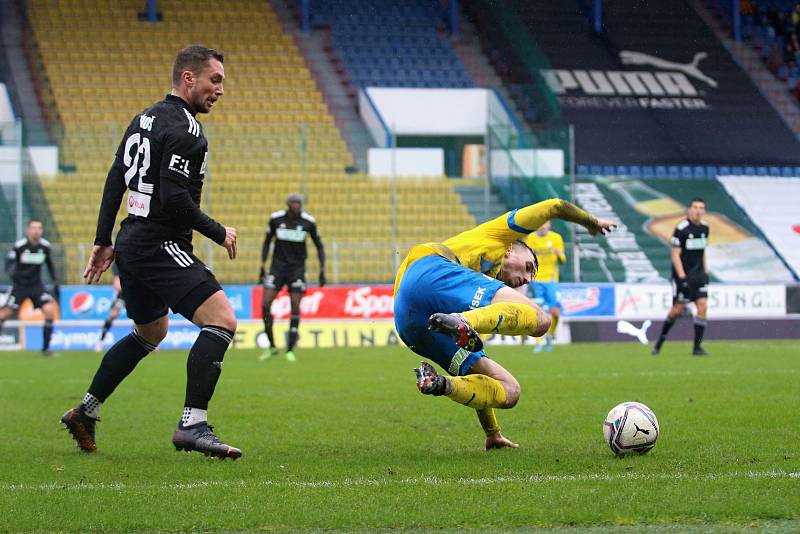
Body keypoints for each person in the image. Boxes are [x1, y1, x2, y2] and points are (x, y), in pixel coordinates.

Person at [60, 45, 242, 459]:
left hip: (133, 243)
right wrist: (218, 231)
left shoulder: (143, 119)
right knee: (221, 321)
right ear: (189, 78)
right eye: (215, 81)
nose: (221, 90)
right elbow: (175, 198)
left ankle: (86, 411)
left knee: (151, 333)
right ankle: (193, 425)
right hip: (160, 244)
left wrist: (104, 239)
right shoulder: (187, 130)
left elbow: (115, 179)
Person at [394, 198, 615, 449]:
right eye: (527, 267)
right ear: (511, 249)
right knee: (541, 320)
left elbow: (479, 379)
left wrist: (492, 431)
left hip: (410, 323)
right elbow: (554, 206)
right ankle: (463, 321)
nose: (524, 279)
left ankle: (439, 384)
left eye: (529, 278)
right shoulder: (498, 237)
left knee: (510, 391)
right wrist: (591, 222)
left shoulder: (481, 301)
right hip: (429, 270)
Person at [258, 192, 325, 362]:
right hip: (277, 269)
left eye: (299, 203)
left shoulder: (308, 222)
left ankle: (290, 349)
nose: (296, 205)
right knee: (265, 304)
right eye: (293, 202)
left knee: (295, 305)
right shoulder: (276, 220)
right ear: (288, 204)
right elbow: (267, 242)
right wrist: (262, 265)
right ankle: (272, 346)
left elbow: (319, 247)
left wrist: (322, 270)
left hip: (297, 270)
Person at [652, 198, 710, 357]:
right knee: (676, 311)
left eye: (701, 208)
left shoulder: (705, 228)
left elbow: (703, 251)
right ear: (689, 210)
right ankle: (659, 342)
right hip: (683, 277)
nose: (698, 210)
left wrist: (706, 272)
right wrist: (682, 278)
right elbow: (675, 255)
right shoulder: (681, 229)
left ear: (704, 211)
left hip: (699, 276)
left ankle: (697, 347)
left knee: (703, 306)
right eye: (695, 207)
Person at [0, 219, 59, 356]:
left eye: (39, 228)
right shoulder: (20, 246)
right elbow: (9, 263)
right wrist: (12, 273)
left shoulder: (45, 246)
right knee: (5, 313)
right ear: (28, 230)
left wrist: (55, 282)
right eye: (33, 228)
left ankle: (45, 349)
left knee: (49, 311)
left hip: (36, 286)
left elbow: (50, 265)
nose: (36, 231)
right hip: (20, 286)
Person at [524, 220, 566, 352]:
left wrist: (559, 254)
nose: (542, 226)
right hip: (536, 281)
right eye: (540, 223)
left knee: (556, 313)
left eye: (545, 223)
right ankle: (538, 343)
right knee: (537, 313)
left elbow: (563, 260)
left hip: (552, 281)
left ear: (549, 225)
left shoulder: (556, 238)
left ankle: (550, 337)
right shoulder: (530, 238)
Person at [94, 264, 124, 352]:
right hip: (124, 295)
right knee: (112, 315)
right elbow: (117, 286)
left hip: (135, 293)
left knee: (138, 318)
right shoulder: (117, 265)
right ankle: (100, 342)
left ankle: (150, 343)